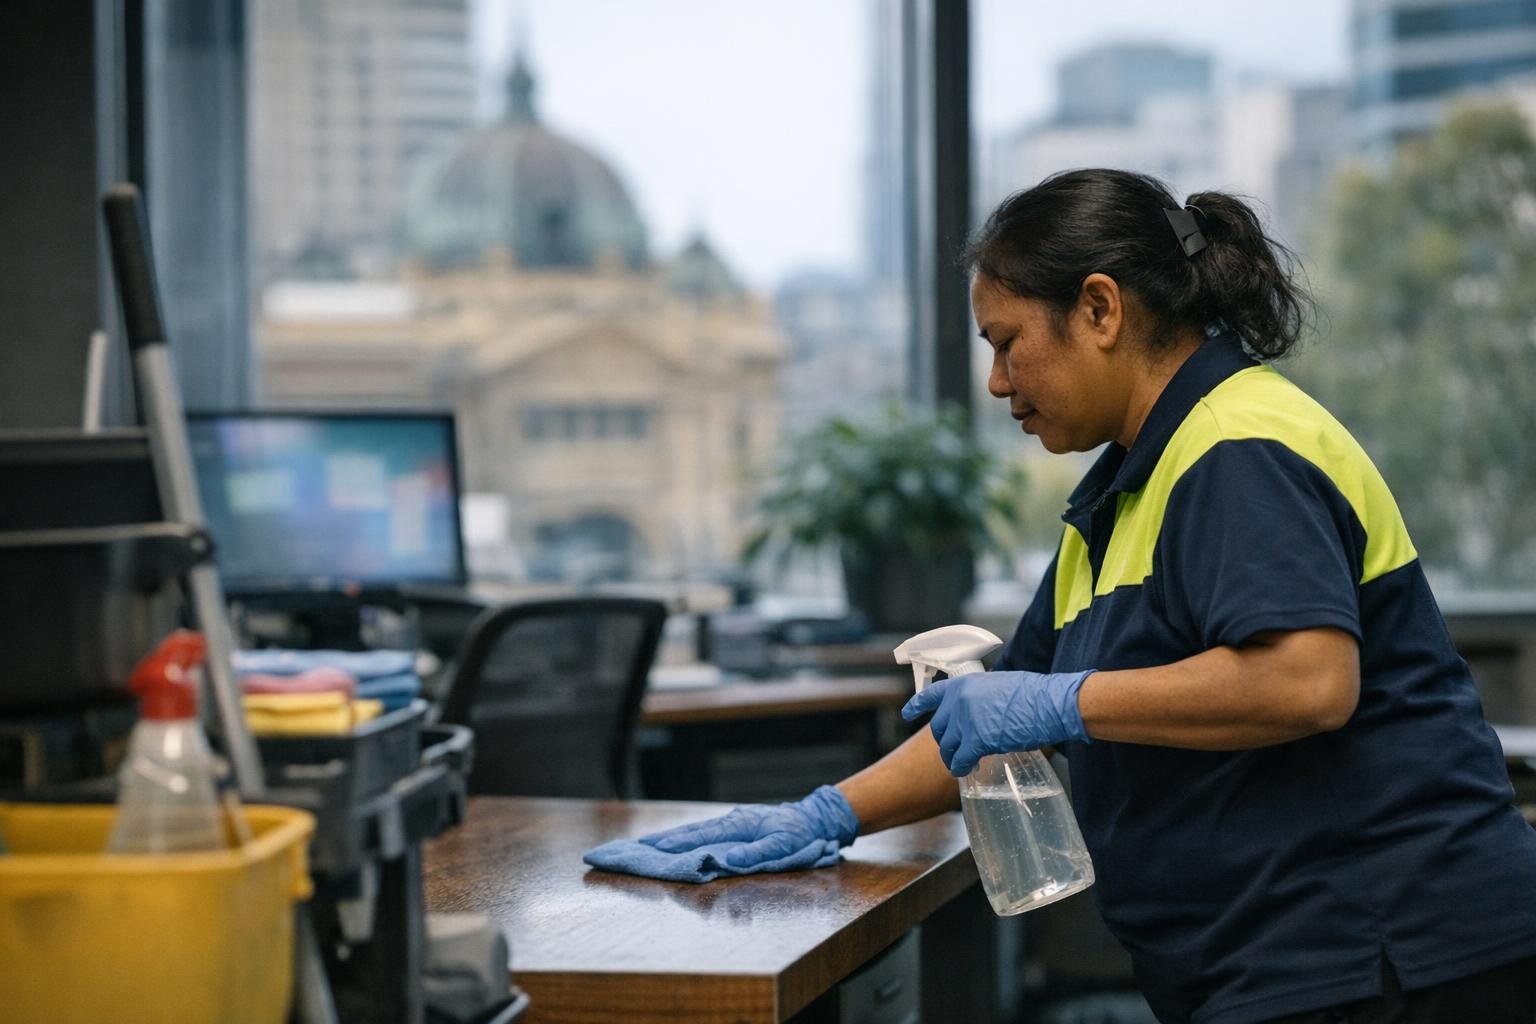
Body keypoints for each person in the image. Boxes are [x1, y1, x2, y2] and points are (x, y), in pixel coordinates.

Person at [583, 169, 1536, 1023]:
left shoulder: (1236, 448)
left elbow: (1306, 683)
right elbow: (996, 719)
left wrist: (1061, 702)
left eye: (1008, 343)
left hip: (1391, 958)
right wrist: (822, 815)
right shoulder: (1124, 494)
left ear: (1100, 309)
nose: (997, 382)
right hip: (1294, 964)